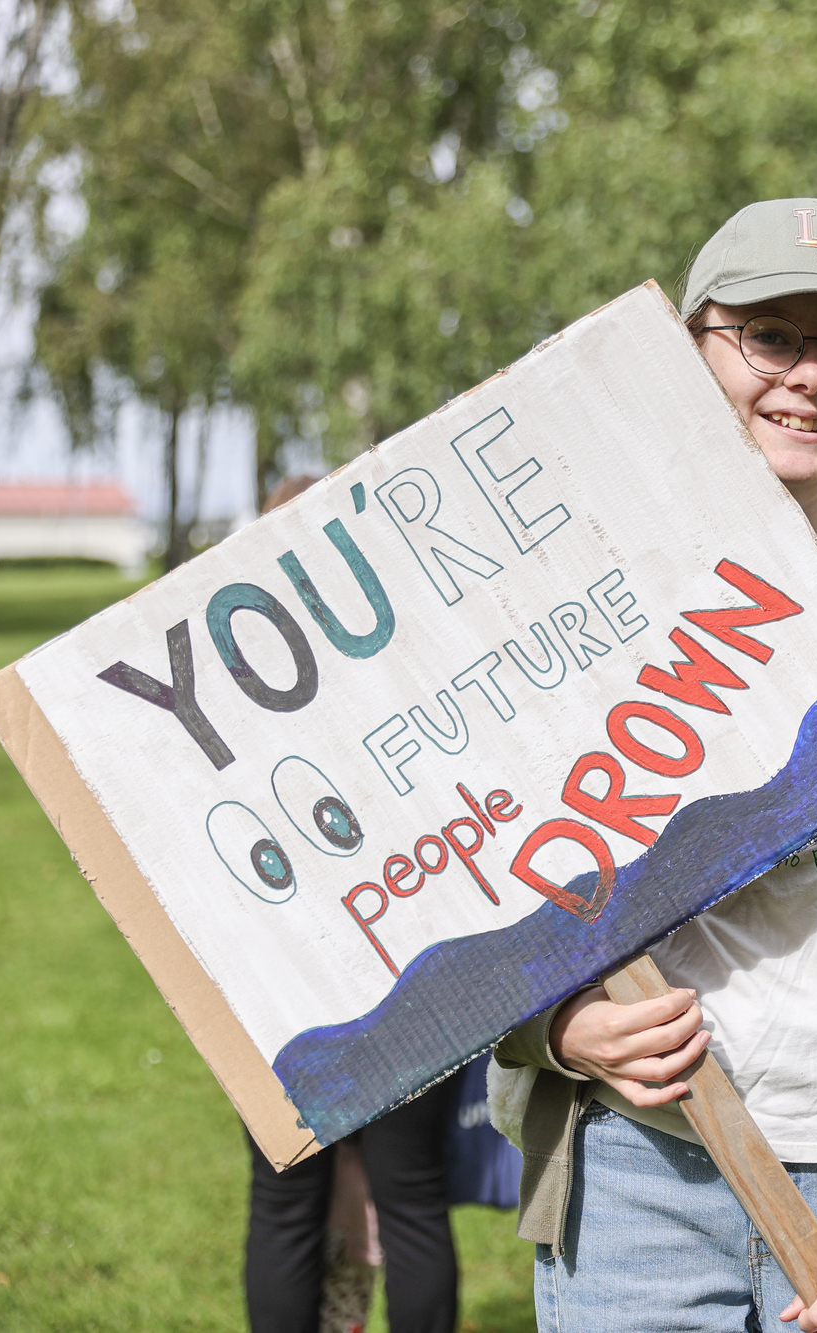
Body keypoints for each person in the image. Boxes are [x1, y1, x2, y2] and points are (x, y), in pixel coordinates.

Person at [493, 199, 817, 1333]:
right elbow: (479, 873)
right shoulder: (579, 613)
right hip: (635, 1182)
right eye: (769, 337)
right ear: (691, 349)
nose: (809, 375)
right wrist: (555, 1025)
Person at [245, 471, 461, 1333]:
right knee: (412, 1198)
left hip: (275, 972)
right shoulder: (414, 667)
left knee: (282, 1200)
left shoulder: (232, 699)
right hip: (409, 961)